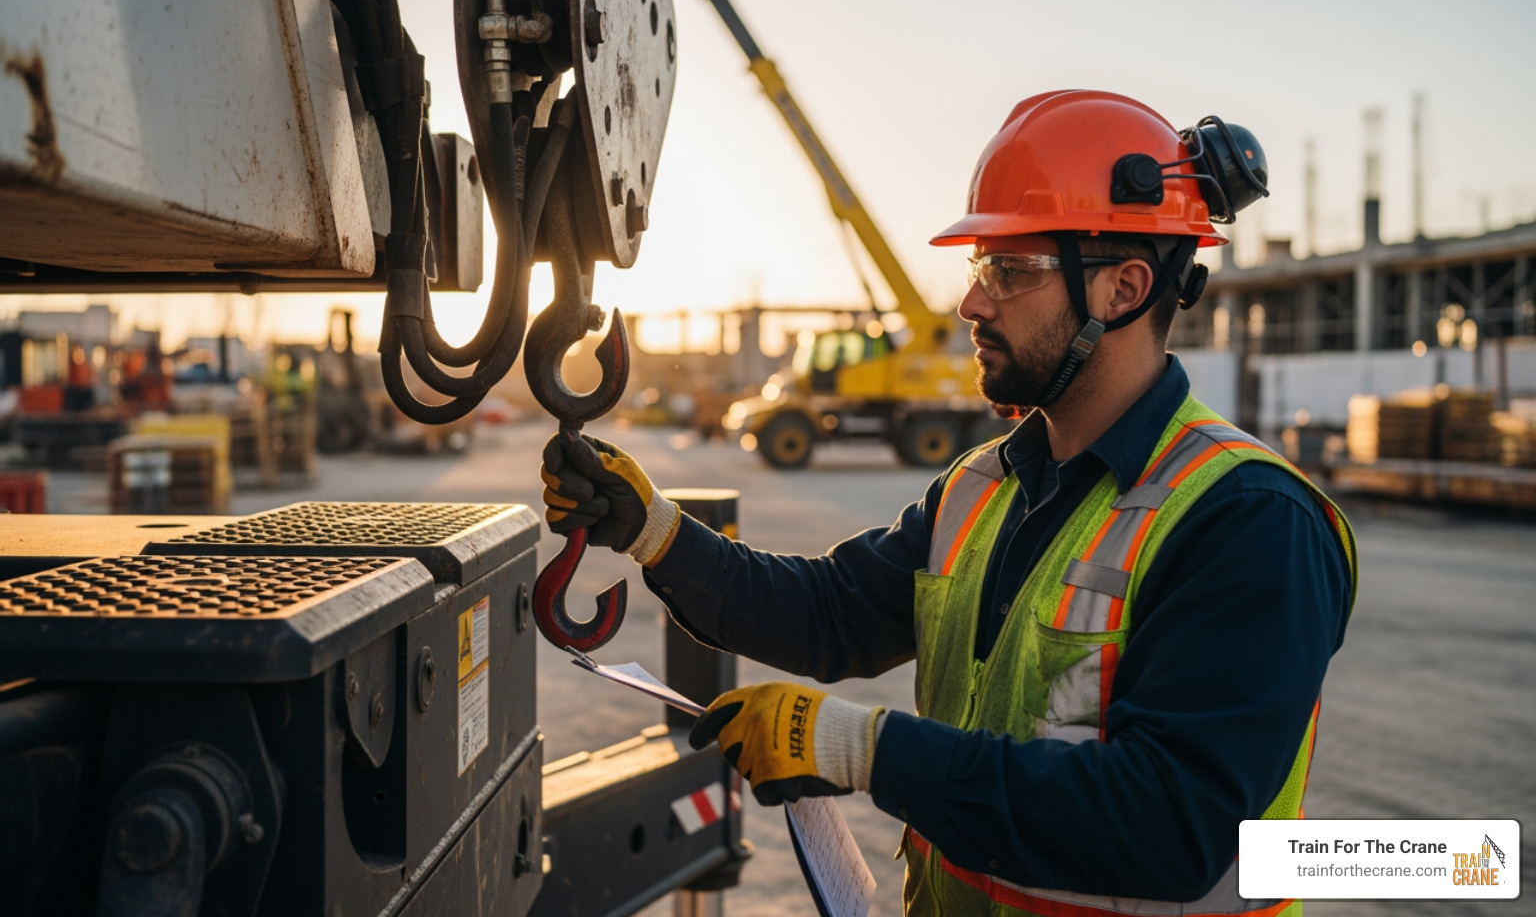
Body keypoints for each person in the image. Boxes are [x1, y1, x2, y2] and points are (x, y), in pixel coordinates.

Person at [541, 90, 1356, 916]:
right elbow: (831, 614)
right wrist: (654, 532)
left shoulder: (1250, 519)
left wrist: (865, 748)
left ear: (1125, 288)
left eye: (1010, 271)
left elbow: (1174, 826)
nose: (971, 303)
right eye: (979, 268)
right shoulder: (985, 485)